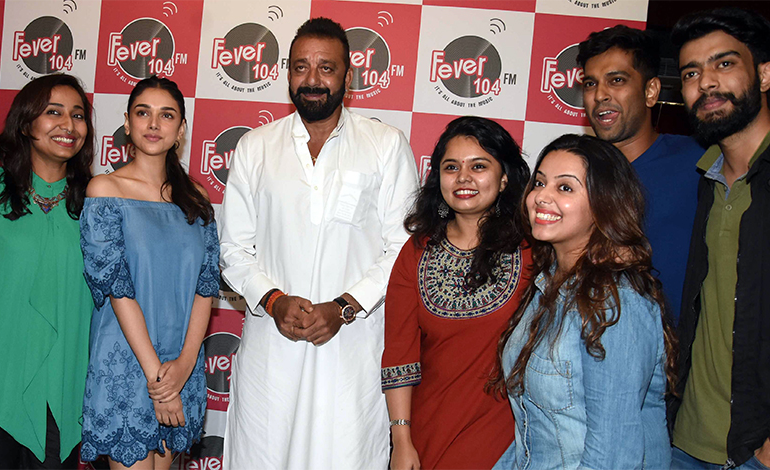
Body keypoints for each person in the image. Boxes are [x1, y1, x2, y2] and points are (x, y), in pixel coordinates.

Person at [219, 17, 419, 469]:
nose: (312, 80)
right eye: (300, 67)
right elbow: (233, 250)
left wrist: (344, 307)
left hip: (351, 355)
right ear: (287, 73)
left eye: (326, 68)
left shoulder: (385, 145)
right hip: (272, 356)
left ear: (349, 77)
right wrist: (274, 301)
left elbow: (403, 250)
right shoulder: (256, 147)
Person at [668, 8, 770, 470]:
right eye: (691, 73)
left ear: (765, 75)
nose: (706, 82)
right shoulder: (706, 179)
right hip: (686, 445)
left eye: (724, 64)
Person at [490, 134, 676, 470]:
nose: (541, 196)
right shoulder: (547, 285)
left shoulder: (615, 302)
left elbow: (614, 457)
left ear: (604, 204)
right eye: (540, 182)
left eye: (565, 187)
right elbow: (532, 434)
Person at [79, 76, 218, 469]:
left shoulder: (196, 198)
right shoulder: (104, 190)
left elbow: (205, 287)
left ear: (181, 129)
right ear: (127, 123)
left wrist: (185, 365)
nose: (154, 124)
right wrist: (158, 379)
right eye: (143, 113)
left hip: (181, 366)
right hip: (128, 362)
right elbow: (117, 289)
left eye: (166, 115)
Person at [382, 116, 532, 470]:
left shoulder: (532, 251)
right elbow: (400, 356)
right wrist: (401, 440)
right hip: (431, 432)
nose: (463, 177)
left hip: (508, 436)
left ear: (504, 177)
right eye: (452, 167)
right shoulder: (417, 252)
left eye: (479, 166)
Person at [577, 24, 704, 319]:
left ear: (651, 91)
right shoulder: (574, 175)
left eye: (616, 80)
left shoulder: (699, 162)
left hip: (678, 342)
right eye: (590, 84)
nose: (600, 95)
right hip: (588, 340)